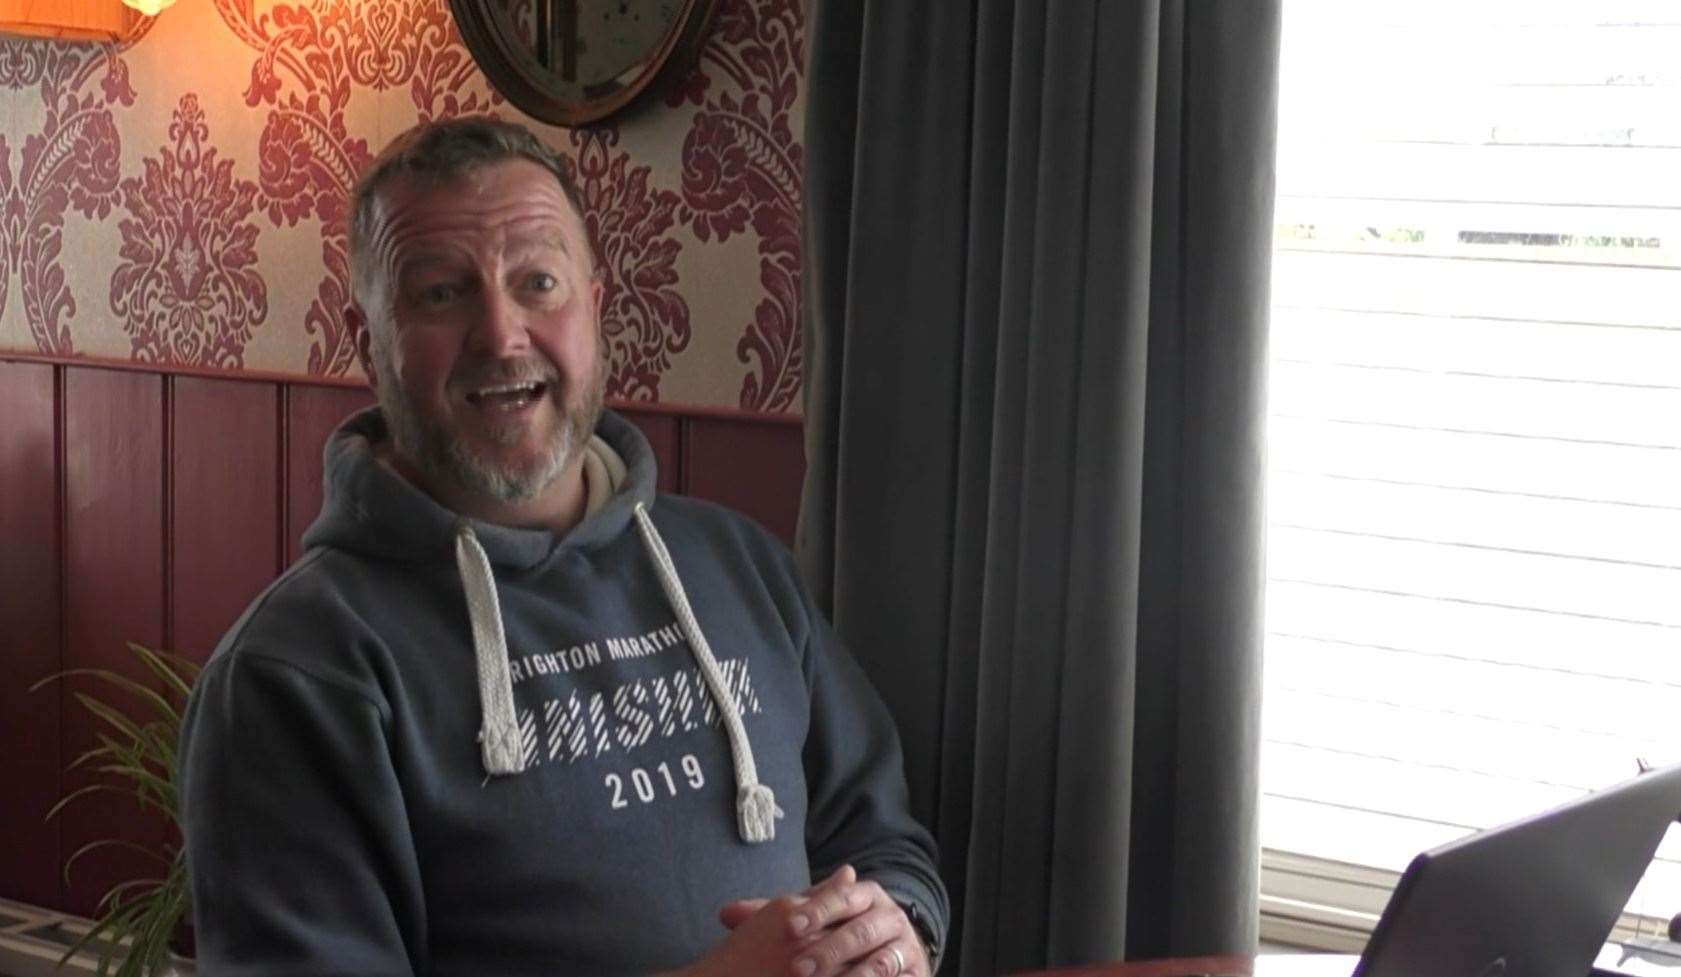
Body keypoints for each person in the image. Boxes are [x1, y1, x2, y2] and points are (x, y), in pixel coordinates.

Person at [177, 116, 948, 977]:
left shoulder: (739, 565)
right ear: (373, 346)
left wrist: (895, 933)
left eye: (537, 281)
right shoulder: (294, 671)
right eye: (440, 292)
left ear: (596, 309)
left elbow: (880, 837)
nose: (501, 334)